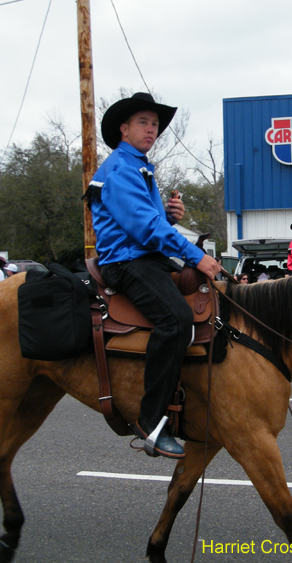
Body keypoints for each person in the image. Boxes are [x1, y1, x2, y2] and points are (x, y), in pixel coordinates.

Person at [85, 92, 220, 460]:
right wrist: (196, 255)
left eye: (155, 124)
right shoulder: (120, 168)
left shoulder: (139, 167)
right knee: (176, 319)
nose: (152, 129)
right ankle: (151, 422)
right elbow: (143, 227)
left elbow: (150, 221)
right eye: (143, 122)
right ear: (124, 129)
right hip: (127, 262)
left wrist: (169, 217)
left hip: (146, 258)